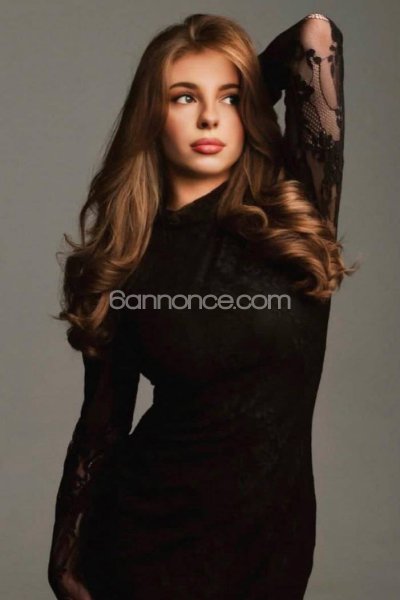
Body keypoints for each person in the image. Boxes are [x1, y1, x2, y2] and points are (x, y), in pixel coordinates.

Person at [47, 12, 358, 600]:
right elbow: (101, 425)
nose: (210, 117)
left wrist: (246, 85)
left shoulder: (295, 218)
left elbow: (316, 37)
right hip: (142, 549)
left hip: (272, 555)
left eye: (229, 98)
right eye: (185, 97)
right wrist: (64, 560)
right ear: (152, 115)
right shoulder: (122, 261)